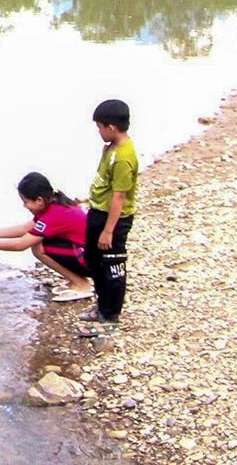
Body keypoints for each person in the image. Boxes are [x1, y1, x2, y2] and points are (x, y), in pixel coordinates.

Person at [0, 172, 93, 302]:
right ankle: (78, 280)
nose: (24, 206)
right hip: (91, 252)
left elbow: (20, 245)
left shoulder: (55, 214)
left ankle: (81, 284)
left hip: (92, 260)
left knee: (38, 246)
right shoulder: (54, 203)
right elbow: (25, 228)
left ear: (39, 200)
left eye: (26, 202)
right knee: (38, 240)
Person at [80, 98, 138, 328]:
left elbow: (119, 196)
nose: (99, 132)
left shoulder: (124, 157)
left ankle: (111, 313)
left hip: (112, 219)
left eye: (100, 128)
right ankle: (102, 305)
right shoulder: (111, 149)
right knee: (94, 260)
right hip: (98, 211)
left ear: (111, 127)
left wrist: (108, 231)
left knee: (112, 265)